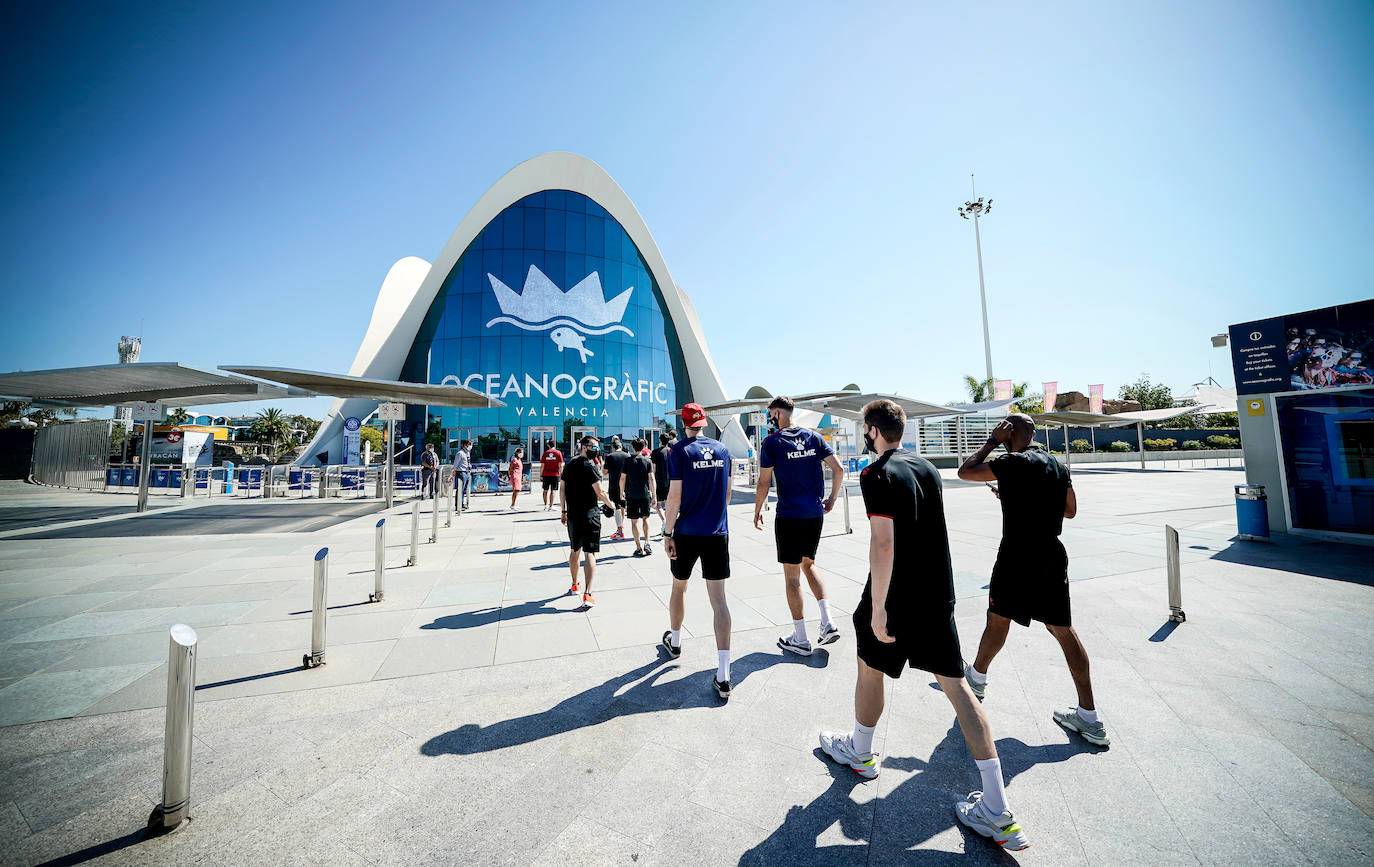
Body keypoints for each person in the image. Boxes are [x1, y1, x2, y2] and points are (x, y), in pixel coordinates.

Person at [818, 399, 1029, 851]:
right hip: (938, 595)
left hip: (895, 598)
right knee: (958, 687)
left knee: (868, 667)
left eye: (864, 430)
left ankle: (861, 751)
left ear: (874, 432)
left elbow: (883, 544)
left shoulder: (876, 474)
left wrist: (877, 609)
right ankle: (997, 808)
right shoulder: (927, 468)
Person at [957, 413, 1106, 748]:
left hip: (1016, 556)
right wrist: (1017, 496)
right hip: (1052, 556)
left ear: (1009, 431)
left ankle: (977, 682)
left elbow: (965, 471)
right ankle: (1089, 718)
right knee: (1063, 629)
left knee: (997, 620)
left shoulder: (1010, 461)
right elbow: (1070, 509)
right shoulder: (1055, 464)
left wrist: (991, 442)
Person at [753, 396, 845, 656]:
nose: (770, 418)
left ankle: (801, 638)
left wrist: (758, 509)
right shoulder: (814, 437)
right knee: (809, 564)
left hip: (789, 515)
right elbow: (838, 469)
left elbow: (763, 482)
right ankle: (827, 621)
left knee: (792, 576)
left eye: (771, 413)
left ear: (779, 413)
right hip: (814, 513)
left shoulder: (771, 442)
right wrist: (832, 499)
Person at [662, 404, 735, 700]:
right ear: (704, 423)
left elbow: (674, 496)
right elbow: (727, 494)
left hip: (687, 533)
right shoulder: (723, 450)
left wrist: (668, 532)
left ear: (683, 424)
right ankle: (724, 673)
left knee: (679, 587)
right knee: (719, 600)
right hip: (716, 532)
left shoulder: (678, 452)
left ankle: (676, 642)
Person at [560, 435, 616, 609]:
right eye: (593, 446)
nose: (596, 449)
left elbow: (562, 488)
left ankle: (574, 584)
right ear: (584, 447)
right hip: (590, 514)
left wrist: (563, 510)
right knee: (589, 553)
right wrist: (611, 505)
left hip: (573, 515)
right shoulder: (589, 466)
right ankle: (588, 593)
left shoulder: (569, 465)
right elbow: (600, 492)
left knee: (575, 549)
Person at [622, 437, 656, 556]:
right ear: (643, 448)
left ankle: (638, 547)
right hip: (645, 494)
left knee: (634, 522)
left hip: (631, 495)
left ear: (632, 447)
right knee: (646, 518)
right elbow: (651, 478)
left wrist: (621, 491)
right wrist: (654, 495)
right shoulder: (647, 461)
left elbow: (622, 478)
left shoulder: (627, 461)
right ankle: (647, 542)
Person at [603, 436, 629, 540]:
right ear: (621, 446)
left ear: (613, 447)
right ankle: (621, 526)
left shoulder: (610, 456)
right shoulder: (627, 456)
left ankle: (620, 531)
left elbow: (604, 472)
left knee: (617, 507)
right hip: (626, 485)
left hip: (614, 485)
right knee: (622, 506)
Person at [651, 432, 673, 533]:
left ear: (660, 440)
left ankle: (664, 521)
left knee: (657, 505)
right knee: (668, 504)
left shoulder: (655, 452)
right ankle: (668, 524)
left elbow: (654, 468)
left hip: (659, 481)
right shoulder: (672, 451)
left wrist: (651, 481)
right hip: (670, 481)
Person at [539, 443, 564, 511]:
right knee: (553, 490)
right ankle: (551, 506)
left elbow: (542, 466)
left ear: (548, 445)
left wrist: (541, 475)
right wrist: (561, 475)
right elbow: (560, 465)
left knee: (545, 490)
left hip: (546, 474)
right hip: (555, 474)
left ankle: (545, 505)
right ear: (554, 445)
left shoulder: (545, 453)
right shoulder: (558, 453)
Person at [452, 440, 472, 509]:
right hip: (461, 472)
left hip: (467, 472)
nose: (470, 446)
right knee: (460, 489)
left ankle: (462, 503)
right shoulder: (460, 453)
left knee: (464, 489)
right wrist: (454, 471)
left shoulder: (467, 453)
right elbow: (456, 463)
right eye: (469, 444)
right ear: (465, 445)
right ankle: (458, 505)